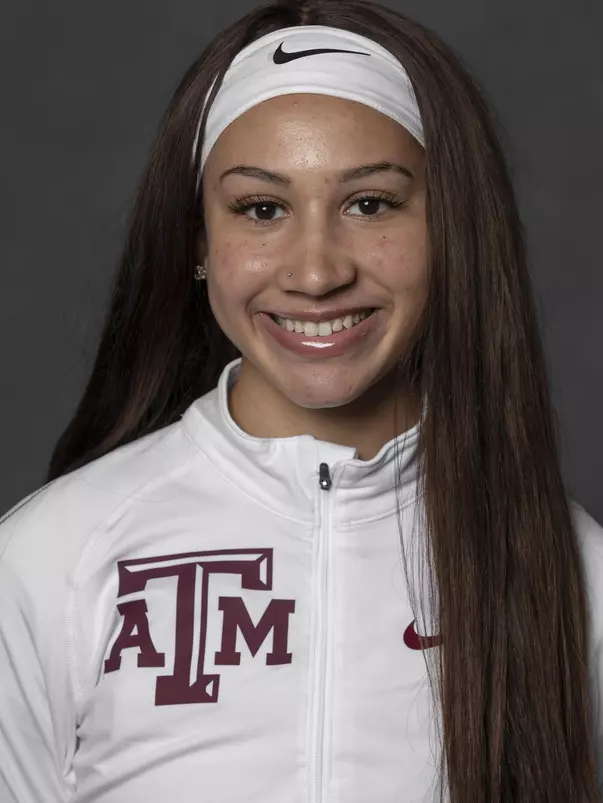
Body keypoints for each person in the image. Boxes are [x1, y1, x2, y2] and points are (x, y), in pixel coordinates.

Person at [0, 0, 601, 801]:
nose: (315, 272)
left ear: (452, 229)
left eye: (369, 203)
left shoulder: (573, 574)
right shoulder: (49, 559)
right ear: (197, 243)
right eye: (261, 209)